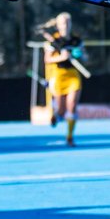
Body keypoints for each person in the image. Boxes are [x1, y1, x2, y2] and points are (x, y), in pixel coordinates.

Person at [42, 12, 84, 147]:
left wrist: (79, 55)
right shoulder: (54, 40)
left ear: (70, 24)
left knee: (72, 106)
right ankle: (56, 114)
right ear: (58, 25)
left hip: (73, 75)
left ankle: (70, 137)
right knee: (61, 110)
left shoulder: (76, 40)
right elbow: (47, 59)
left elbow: (85, 57)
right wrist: (61, 57)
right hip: (58, 74)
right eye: (62, 23)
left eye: (67, 23)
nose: (65, 25)